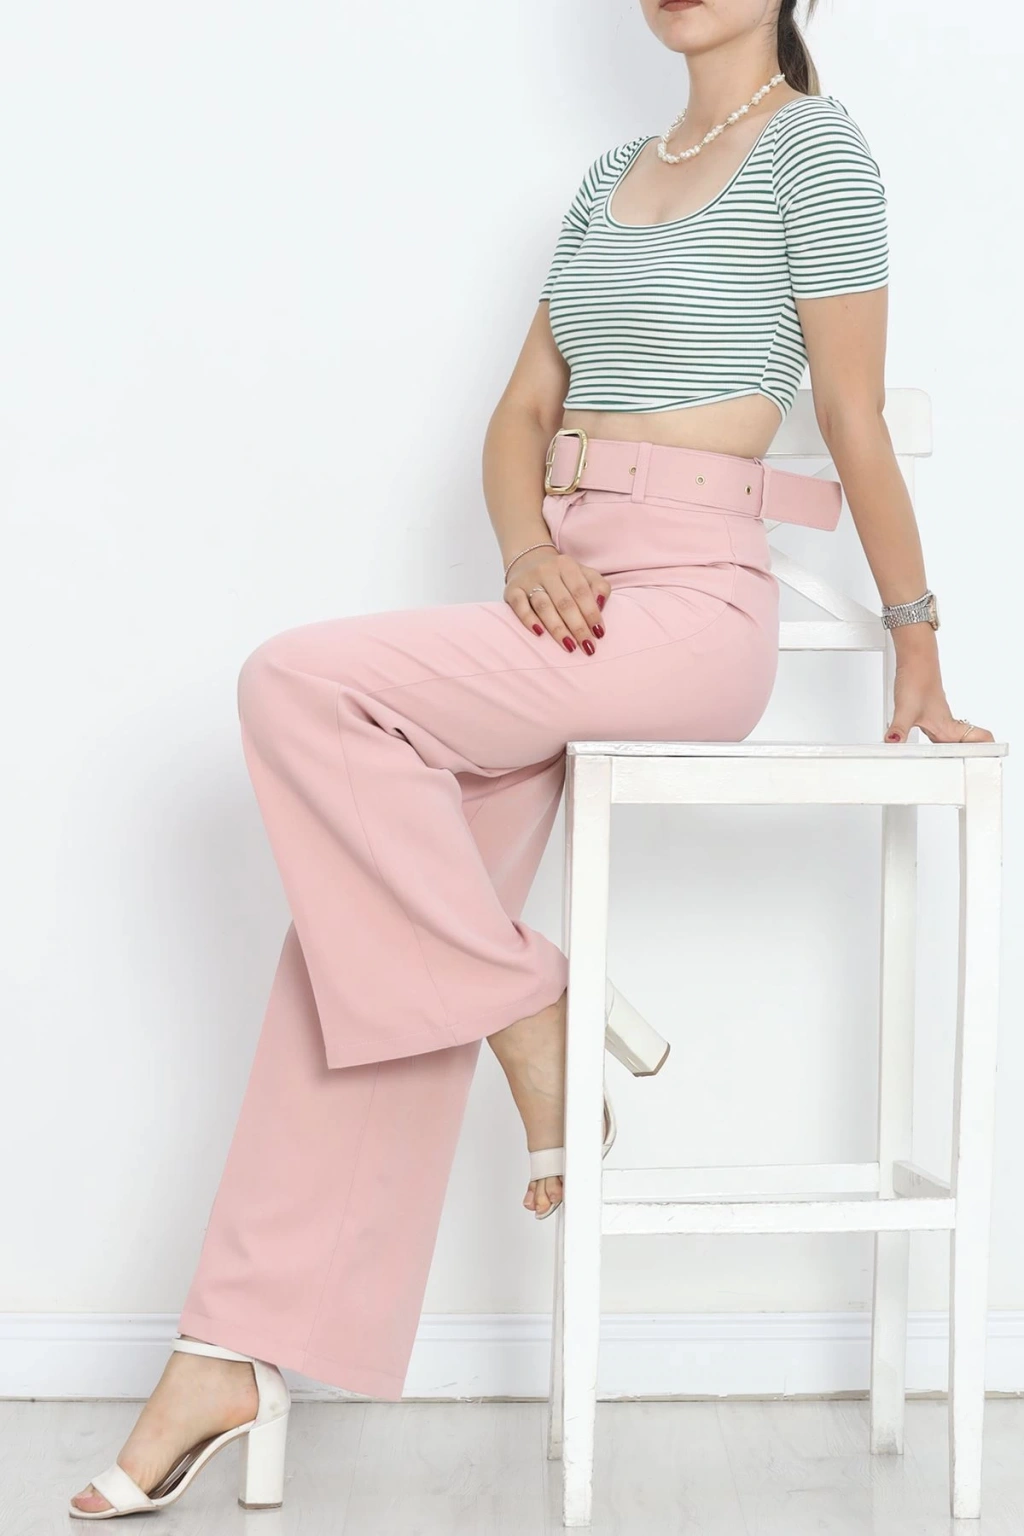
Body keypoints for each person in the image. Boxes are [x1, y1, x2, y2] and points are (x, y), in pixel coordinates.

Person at [69, 0, 993, 1519]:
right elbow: (518, 417)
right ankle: (227, 1350)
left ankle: (526, 1008)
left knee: (299, 684)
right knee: (358, 951)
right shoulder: (608, 176)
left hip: (692, 610)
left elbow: (848, 413)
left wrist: (918, 643)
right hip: (562, 598)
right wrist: (523, 554)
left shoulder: (818, 152)